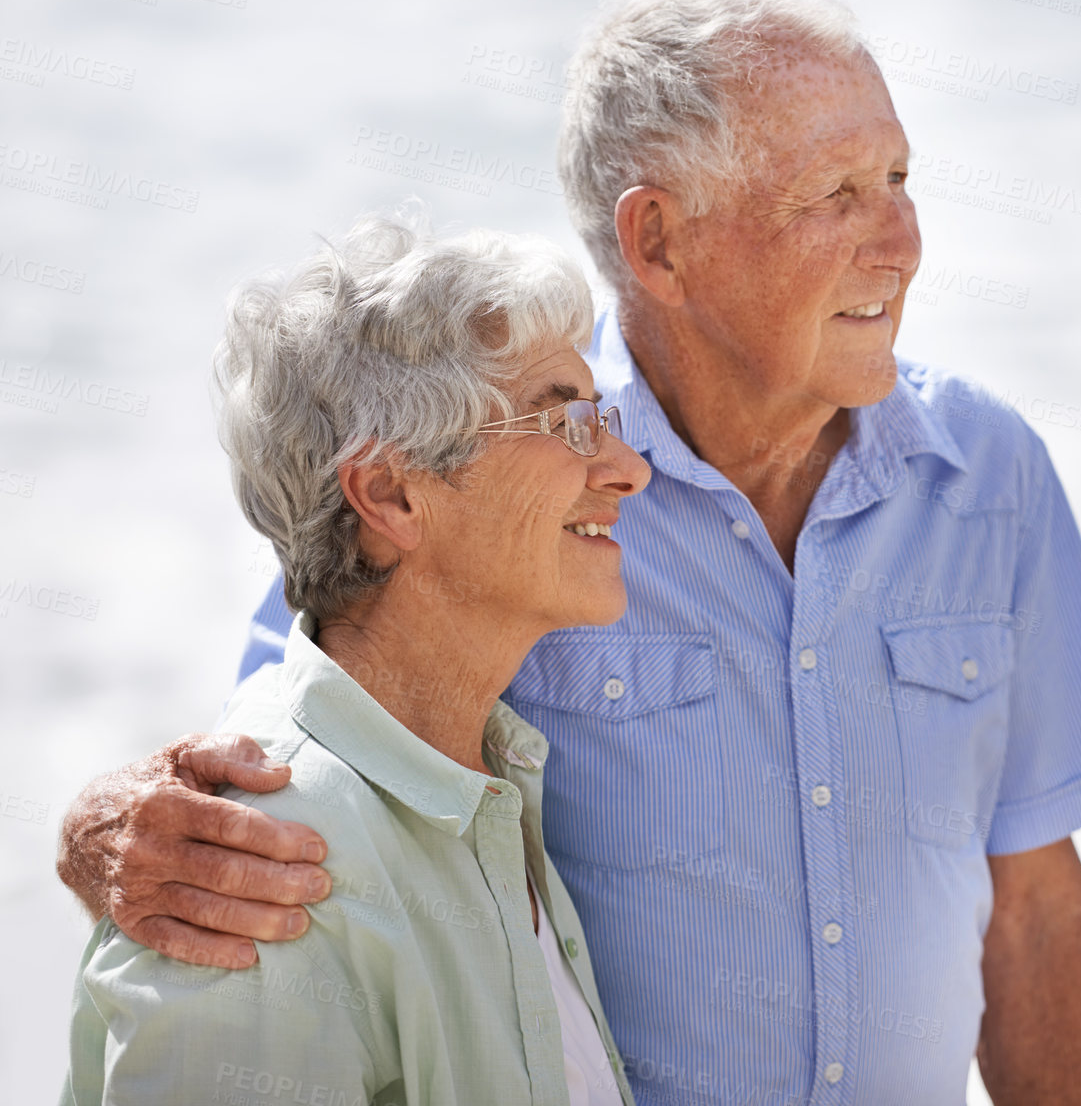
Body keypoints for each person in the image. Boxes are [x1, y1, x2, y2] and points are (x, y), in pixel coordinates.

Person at [57, 0, 1081, 1105]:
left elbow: (1032, 899)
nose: (901, 240)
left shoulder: (989, 476)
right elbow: (299, 738)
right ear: (660, 244)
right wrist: (105, 823)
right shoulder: (514, 489)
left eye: (898, 177)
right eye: (835, 192)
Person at [61, 210, 647, 1105]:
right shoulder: (256, 871)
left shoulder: (487, 789)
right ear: (389, 492)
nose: (627, 468)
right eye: (563, 421)